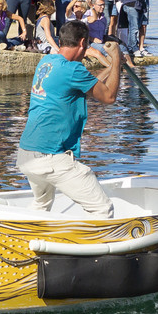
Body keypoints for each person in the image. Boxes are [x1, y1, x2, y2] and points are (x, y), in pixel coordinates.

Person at [16, 21, 125, 216]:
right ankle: (93, 246)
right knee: (102, 209)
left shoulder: (47, 62)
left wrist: (112, 68)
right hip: (49, 156)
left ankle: (31, 239)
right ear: (83, 43)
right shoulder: (74, 71)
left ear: (61, 40)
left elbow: (91, 84)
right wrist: (116, 60)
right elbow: (109, 97)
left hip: (26, 153)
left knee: (41, 205)